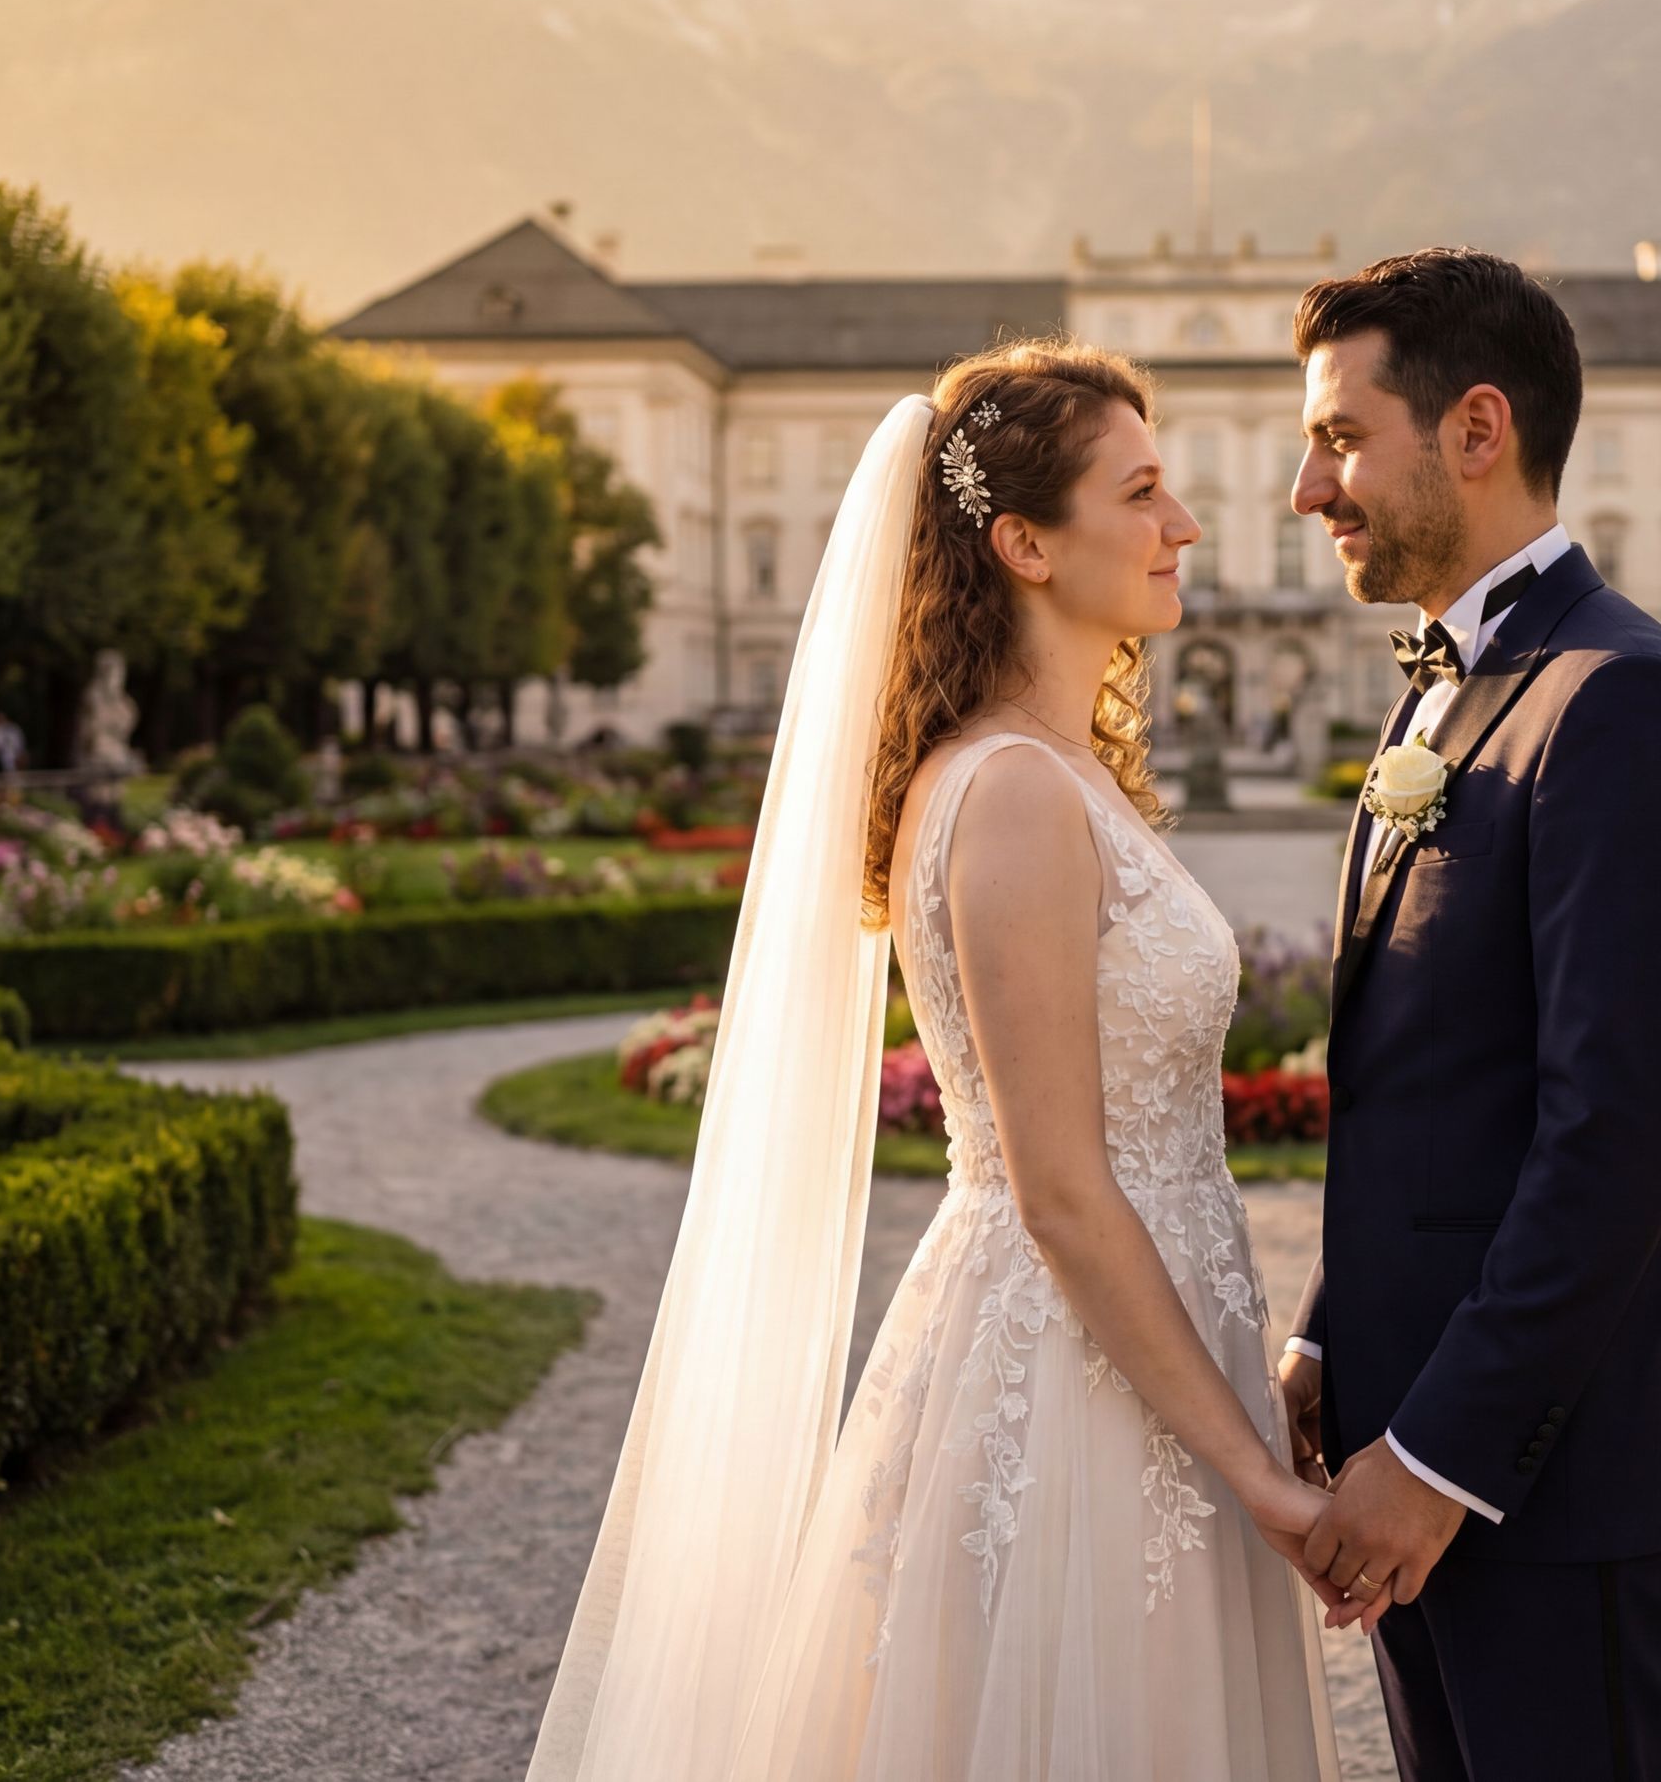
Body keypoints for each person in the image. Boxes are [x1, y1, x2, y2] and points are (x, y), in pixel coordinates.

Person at [526, 341, 1341, 1781]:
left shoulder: (1054, 767)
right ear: (1023, 542)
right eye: (1143, 492)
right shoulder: (1017, 792)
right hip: (1079, 1379)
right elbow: (1062, 1191)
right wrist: (1255, 1474)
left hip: (1144, 1354)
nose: (1187, 527)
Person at [1279, 249, 1661, 1780]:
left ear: (1476, 429)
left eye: (1342, 438)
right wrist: (1332, 1346)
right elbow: (1433, 1085)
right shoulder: (1445, 686)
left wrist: (1433, 1460)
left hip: (1550, 1478)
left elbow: (1609, 1137)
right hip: (1424, 1445)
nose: (1308, 488)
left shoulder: (1619, 698)